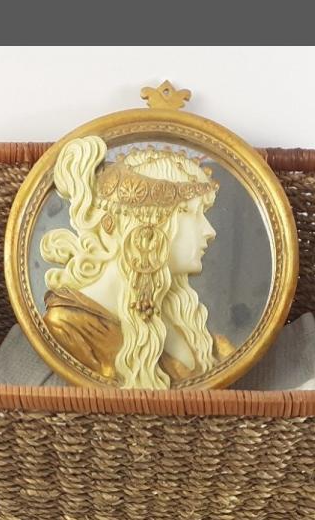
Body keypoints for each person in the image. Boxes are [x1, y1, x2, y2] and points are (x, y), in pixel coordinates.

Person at [39, 136, 234, 388]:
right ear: (148, 223)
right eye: (191, 213)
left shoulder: (182, 321)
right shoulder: (67, 330)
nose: (209, 231)